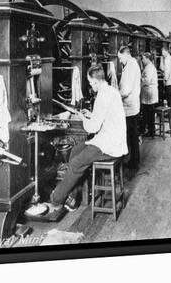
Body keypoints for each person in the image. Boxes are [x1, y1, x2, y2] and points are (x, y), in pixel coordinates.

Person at [47, 64, 127, 212]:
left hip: (110, 145)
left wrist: (83, 117)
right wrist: (91, 115)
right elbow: (104, 116)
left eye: (91, 83)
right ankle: (73, 196)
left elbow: (92, 128)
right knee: (76, 150)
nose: (91, 86)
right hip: (112, 138)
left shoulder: (103, 96)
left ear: (96, 81)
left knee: (77, 163)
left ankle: (56, 199)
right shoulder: (111, 91)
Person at [117, 45, 141, 173]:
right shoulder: (130, 65)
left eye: (120, 58)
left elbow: (126, 90)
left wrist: (116, 95)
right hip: (131, 106)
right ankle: (133, 160)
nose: (120, 61)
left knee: (132, 136)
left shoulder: (131, 66)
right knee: (132, 136)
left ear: (126, 54)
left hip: (129, 107)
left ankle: (134, 162)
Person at [140, 53, 158, 137]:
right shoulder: (149, 67)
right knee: (148, 113)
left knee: (149, 113)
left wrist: (140, 80)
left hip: (149, 93)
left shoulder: (149, 68)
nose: (142, 60)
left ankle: (151, 131)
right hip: (149, 93)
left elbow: (147, 81)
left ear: (147, 58)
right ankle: (150, 130)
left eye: (143, 58)